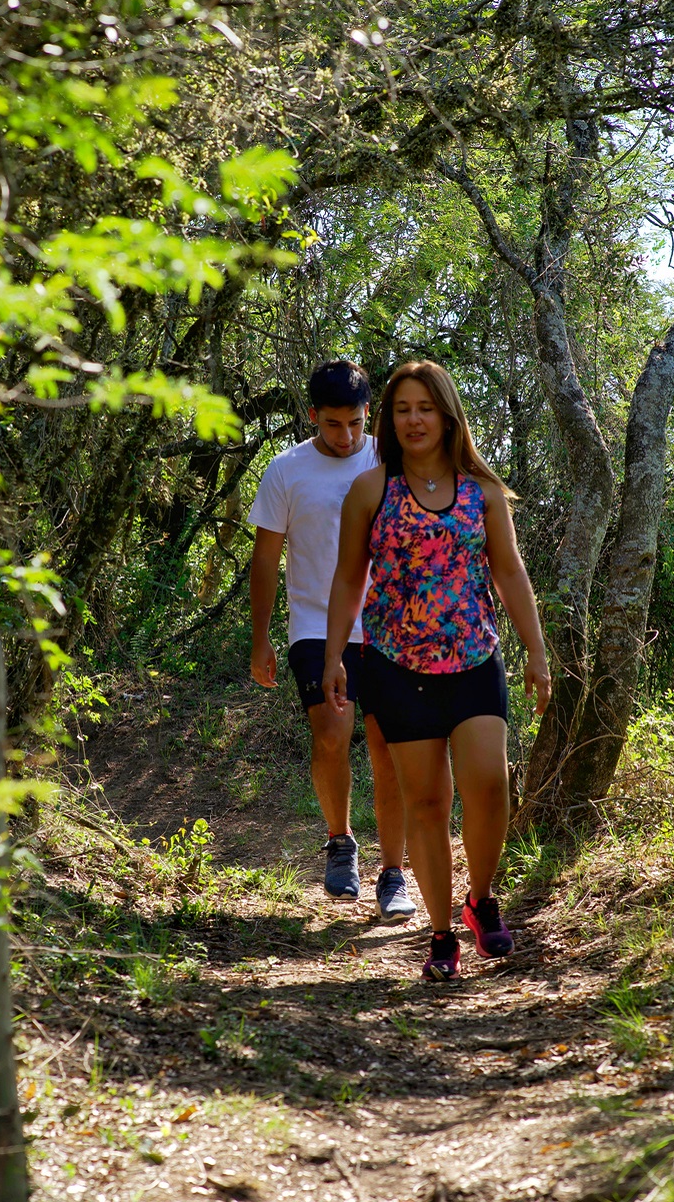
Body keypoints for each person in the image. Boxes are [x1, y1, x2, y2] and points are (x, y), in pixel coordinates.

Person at [322, 360, 552, 981]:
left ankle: (481, 900)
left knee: (488, 784)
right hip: (396, 667)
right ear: (389, 422)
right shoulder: (371, 490)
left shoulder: (482, 490)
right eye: (401, 410)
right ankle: (442, 933)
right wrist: (334, 656)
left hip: (476, 659)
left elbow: (509, 570)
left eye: (424, 408)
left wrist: (535, 648)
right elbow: (348, 577)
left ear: (447, 414)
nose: (413, 420)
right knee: (426, 803)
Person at [248, 360, 415, 917]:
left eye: (357, 424)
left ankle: (394, 873)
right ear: (314, 416)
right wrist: (260, 638)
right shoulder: (285, 471)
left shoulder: (389, 461)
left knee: (389, 748)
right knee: (330, 730)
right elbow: (266, 559)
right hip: (316, 627)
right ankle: (340, 842)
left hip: (388, 625)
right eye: (334, 425)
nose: (346, 437)